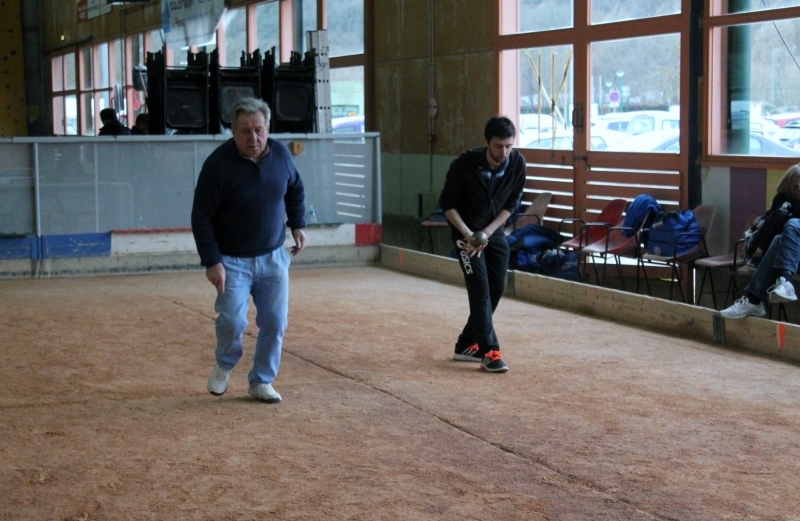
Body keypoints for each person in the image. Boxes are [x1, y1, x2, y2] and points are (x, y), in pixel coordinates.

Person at [191, 97, 307, 403]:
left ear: (268, 128)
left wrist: (297, 223)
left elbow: (294, 188)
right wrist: (212, 260)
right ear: (232, 130)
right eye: (245, 131)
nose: (252, 138)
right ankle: (225, 364)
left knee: (275, 322)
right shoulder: (218, 165)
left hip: (273, 257)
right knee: (232, 320)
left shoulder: (281, 155)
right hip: (231, 262)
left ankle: (262, 381)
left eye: (258, 130)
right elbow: (201, 215)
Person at [438, 116, 526, 372]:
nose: (504, 152)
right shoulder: (464, 165)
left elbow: (511, 205)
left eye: (509, 145)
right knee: (480, 290)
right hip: (464, 231)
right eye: (499, 146)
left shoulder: (517, 164)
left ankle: (466, 344)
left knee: (496, 288)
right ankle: (490, 352)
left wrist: (486, 233)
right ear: (487, 142)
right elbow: (448, 205)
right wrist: (468, 235)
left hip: (493, 229)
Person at [720, 163, 800, 319]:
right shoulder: (783, 201)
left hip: (789, 255)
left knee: (791, 225)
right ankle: (760, 296)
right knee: (779, 239)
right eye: (797, 185)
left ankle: (756, 298)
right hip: (788, 254)